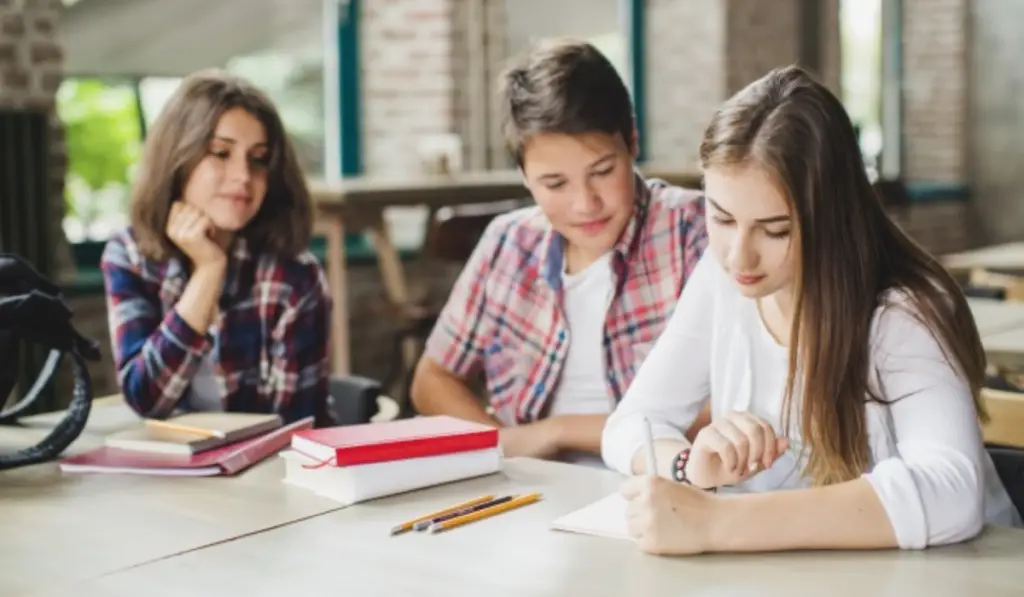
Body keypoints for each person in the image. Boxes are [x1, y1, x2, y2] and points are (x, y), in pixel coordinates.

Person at [601, 65, 1022, 555]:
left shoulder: (903, 310)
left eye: (775, 229)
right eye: (721, 218)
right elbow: (631, 424)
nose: (740, 255)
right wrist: (690, 466)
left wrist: (718, 523)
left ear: (831, 217)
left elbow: (950, 492)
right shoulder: (721, 280)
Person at [409, 39, 709, 464]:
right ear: (524, 177)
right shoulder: (509, 243)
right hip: (535, 490)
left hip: (658, 483)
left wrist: (561, 431)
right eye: (555, 184)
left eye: (602, 172)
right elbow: (432, 380)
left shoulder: (694, 232)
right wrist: (504, 446)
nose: (585, 203)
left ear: (632, 143)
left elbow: (735, 402)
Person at [101, 70, 331, 424]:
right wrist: (208, 272)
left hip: (267, 472)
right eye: (221, 153)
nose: (242, 175)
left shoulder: (295, 276)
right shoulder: (129, 255)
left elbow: (297, 430)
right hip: (168, 472)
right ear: (178, 159)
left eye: (258, 159)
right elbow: (145, 398)